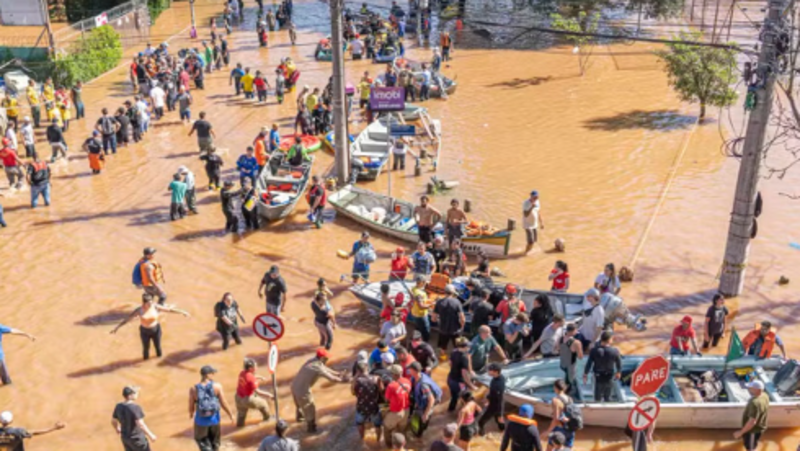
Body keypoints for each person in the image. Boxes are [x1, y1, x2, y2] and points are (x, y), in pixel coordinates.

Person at [111, 293, 190, 360]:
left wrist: (182, 312)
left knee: (158, 347)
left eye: (151, 303)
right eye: (148, 304)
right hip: (144, 332)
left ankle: (158, 361)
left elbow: (169, 310)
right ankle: (145, 363)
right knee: (146, 349)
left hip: (156, 330)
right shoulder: (139, 310)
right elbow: (127, 319)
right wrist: (116, 328)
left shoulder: (155, 306)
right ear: (144, 303)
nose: (150, 305)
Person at [291, 348, 348, 433]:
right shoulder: (317, 368)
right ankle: (311, 430)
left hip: (294, 387)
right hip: (303, 392)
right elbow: (332, 379)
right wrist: (344, 380)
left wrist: (337, 373)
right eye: (326, 358)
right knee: (311, 411)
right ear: (322, 358)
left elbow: (324, 368)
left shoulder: (312, 360)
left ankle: (299, 422)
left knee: (300, 407)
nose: (327, 359)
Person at [189, 365, 235, 451]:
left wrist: (191, 413)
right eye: (212, 373)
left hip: (201, 422)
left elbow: (191, 405)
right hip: (214, 421)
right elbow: (223, 402)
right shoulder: (217, 386)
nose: (213, 375)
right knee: (215, 444)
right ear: (207, 375)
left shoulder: (193, 389)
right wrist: (230, 414)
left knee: (202, 442)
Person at [112, 386, 157, 450]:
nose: (137, 394)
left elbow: (113, 421)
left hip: (125, 438)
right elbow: (141, 424)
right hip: (137, 439)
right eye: (136, 393)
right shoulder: (135, 408)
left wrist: (117, 428)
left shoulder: (118, 406)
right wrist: (151, 435)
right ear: (130, 395)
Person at [583, 331, 621, 402]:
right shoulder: (614, 351)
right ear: (609, 340)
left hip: (598, 375)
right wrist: (618, 371)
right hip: (609, 375)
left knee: (597, 396)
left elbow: (589, 363)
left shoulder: (594, 350)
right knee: (608, 395)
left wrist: (585, 373)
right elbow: (618, 363)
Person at [352, 360, 383, 443]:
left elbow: (353, 392)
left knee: (360, 424)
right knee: (377, 425)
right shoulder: (376, 378)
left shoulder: (357, 381)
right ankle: (378, 440)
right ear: (367, 368)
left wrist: (355, 377)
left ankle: (362, 439)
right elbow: (382, 390)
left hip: (361, 407)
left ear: (357, 370)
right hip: (374, 407)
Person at [235, 358, 273, 427]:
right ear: (250, 368)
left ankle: (239, 426)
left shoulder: (242, 372)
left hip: (238, 397)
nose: (257, 367)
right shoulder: (251, 378)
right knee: (264, 404)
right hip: (247, 399)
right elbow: (258, 392)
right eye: (255, 366)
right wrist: (269, 395)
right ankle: (267, 419)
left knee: (241, 414)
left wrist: (260, 377)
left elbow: (250, 377)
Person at [733, 380, 769, 451]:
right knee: (751, 444)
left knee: (751, 448)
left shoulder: (754, 403)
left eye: (751, 388)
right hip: (760, 425)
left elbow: (752, 422)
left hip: (753, 431)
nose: (749, 389)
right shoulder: (765, 395)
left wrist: (740, 433)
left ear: (757, 390)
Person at [0, 411, 65, 450]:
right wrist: (54, 428)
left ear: (0, 421)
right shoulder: (18, 432)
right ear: (11, 421)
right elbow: (35, 432)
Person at [383, 364, 411, 448]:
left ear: (394, 375)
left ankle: (389, 447)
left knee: (386, 429)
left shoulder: (391, 385)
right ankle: (402, 446)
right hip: (406, 410)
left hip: (396, 412)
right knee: (401, 430)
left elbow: (386, 399)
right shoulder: (408, 381)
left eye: (391, 373)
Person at [433, 285, 465, 358]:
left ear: (445, 292)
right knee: (458, 346)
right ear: (453, 292)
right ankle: (457, 359)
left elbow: (433, 318)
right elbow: (462, 317)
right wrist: (462, 326)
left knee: (443, 347)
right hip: (455, 329)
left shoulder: (439, 302)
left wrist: (438, 321)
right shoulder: (457, 302)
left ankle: (443, 358)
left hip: (443, 329)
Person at [476, 363, 506, 436]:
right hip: (494, 403)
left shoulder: (499, 384)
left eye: (490, 370)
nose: (488, 371)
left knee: (480, 422)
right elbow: (493, 392)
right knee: (498, 419)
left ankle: (481, 435)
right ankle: (503, 431)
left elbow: (499, 399)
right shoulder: (497, 378)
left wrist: (500, 413)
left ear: (496, 371)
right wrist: (487, 398)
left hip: (495, 406)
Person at [448, 337, 477, 412]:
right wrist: (471, 385)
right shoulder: (464, 357)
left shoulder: (454, 351)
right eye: (468, 346)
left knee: (454, 397)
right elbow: (464, 374)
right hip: (459, 383)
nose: (469, 347)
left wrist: (470, 371)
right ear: (465, 347)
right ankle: (468, 414)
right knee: (468, 399)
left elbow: (450, 363)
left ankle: (450, 410)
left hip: (450, 379)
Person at [558, 323, 584, 401]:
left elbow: (557, 349)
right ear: (573, 331)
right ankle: (573, 400)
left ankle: (564, 395)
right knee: (572, 384)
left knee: (566, 381)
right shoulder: (576, 342)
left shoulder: (561, 339)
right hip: (571, 366)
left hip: (563, 364)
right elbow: (580, 356)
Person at [408, 276, 434, 342]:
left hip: (414, 312)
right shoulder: (419, 294)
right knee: (426, 329)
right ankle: (425, 342)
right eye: (424, 282)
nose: (425, 283)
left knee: (418, 327)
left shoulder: (414, 288)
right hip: (421, 314)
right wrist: (431, 305)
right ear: (421, 283)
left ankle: (414, 339)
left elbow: (410, 292)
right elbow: (421, 306)